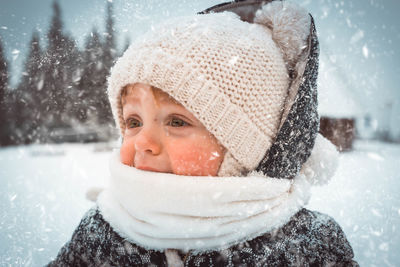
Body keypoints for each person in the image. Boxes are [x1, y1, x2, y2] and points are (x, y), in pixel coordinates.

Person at [48, 0, 359, 266]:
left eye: (177, 122)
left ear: (244, 151)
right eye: (133, 122)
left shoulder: (306, 247)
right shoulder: (101, 234)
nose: (142, 142)